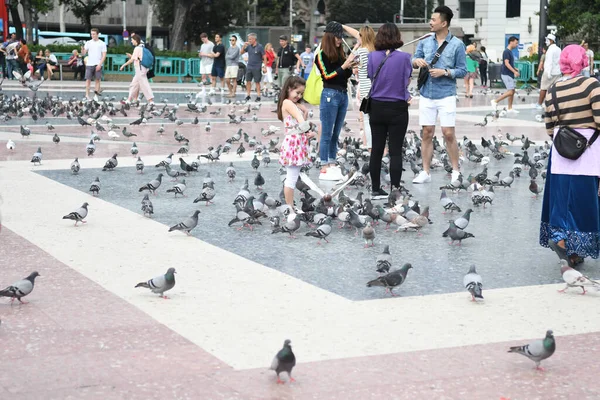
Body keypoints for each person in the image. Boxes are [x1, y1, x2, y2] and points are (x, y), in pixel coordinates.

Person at [541, 44, 600, 267]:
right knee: (585, 203)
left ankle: (562, 240)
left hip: (561, 154)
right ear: (583, 60)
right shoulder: (591, 84)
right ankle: (576, 249)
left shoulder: (554, 88)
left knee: (562, 201)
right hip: (589, 154)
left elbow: (549, 126)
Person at [412, 6, 466, 184]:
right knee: (427, 132)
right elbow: (414, 60)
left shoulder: (457, 45)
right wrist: (416, 61)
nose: (430, 22)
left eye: (433, 20)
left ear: (444, 23)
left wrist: (445, 72)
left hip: (446, 94)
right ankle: (425, 171)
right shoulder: (425, 41)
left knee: (448, 133)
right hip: (427, 93)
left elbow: (462, 71)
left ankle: (456, 170)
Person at [366, 23, 412, 199]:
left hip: (377, 106)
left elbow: (371, 77)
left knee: (376, 149)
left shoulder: (372, 57)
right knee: (395, 151)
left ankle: (376, 189)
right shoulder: (405, 58)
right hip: (397, 107)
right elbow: (406, 81)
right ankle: (395, 189)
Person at [315, 21, 357, 181]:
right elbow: (327, 75)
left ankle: (332, 162)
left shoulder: (341, 54)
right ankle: (324, 165)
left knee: (336, 133)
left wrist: (350, 67)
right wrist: (344, 65)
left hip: (342, 94)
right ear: (330, 37)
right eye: (337, 37)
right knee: (326, 132)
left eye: (341, 37)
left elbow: (343, 76)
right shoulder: (321, 54)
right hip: (329, 94)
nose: (340, 40)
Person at [277, 75, 316, 206]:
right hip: (293, 144)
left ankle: (290, 207)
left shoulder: (291, 103)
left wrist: (304, 111)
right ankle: (290, 208)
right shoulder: (288, 103)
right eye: (297, 92)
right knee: (291, 179)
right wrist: (310, 130)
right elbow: (302, 123)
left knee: (292, 177)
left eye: (301, 93)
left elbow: (300, 123)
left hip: (296, 142)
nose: (299, 96)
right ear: (288, 88)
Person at [344, 25, 376, 152]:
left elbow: (349, 62)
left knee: (367, 120)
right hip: (376, 88)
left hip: (364, 89)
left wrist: (356, 47)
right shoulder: (376, 50)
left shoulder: (361, 51)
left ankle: (370, 147)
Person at [119, 34, 154, 105]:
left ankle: (151, 101)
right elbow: (137, 58)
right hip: (142, 69)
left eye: (132, 40)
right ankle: (128, 100)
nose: (132, 42)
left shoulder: (137, 48)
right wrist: (131, 57)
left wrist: (124, 65)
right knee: (134, 84)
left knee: (144, 85)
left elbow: (132, 60)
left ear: (136, 40)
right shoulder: (142, 47)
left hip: (140, 69)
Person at [491, 36, 520, 113]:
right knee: (510, 92)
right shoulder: (506, 52)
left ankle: (510, 108)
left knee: (512, 91)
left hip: (509, 74)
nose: (517, 45)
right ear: (511, 42)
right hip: (506, 74)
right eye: (516, 43)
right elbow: (506, 63)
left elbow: (508, 63)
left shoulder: (510, 52)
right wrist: (514, 71)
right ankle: (495, 101)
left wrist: (515, 68)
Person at [534, 34, 561, 110]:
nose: (546, 42)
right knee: (555, 90)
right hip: (557, 72)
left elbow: (549, 62)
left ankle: (539, 104)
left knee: (543, 88)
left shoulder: (550, 50)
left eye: (547, 40)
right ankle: (555, 105)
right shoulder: (559, 49)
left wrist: (548, 73)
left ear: (551, 41)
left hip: (549, 72)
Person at [82, 28, 107, 99]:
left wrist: (100, 64)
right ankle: (87, 95)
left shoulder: (102, 43)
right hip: (89, 63)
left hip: (98, 63)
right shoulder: (88, 42)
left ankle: (96, 95)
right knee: (88, 79)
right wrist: (82, 50)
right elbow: (84, 53)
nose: (92, 35)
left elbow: (104, 55)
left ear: (97, 34)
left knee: (97, 80)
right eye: (91, 34)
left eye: (94, 34)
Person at [241, 33, 266, 102]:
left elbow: (264, 56)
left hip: (257, 67)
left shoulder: (260, 47)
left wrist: (264, 66)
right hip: (249, 66)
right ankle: (248, 95)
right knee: (248, 81)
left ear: (254, 39)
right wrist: (244, 46)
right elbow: (241, 52)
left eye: (250, 39)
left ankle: (258, 96)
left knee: (257, 82)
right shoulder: (249, 47)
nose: (249, 40)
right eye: (248, 39)